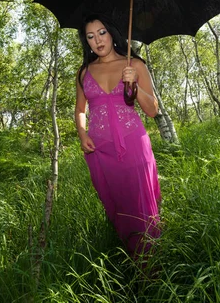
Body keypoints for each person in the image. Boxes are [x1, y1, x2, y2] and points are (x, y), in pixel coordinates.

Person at [74, 13, 161, 257]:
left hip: (134, 146)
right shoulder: (84, 72)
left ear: (112, 34)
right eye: (90, 36)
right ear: (86, 42)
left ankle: (150, 267)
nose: (97, 40)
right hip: (100, 151)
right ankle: (129, 259)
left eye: (102, 33)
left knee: (141, 209)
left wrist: (135, 85)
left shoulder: (135, 65)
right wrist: (82, 134)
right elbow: (80, 110)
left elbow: (152, 111)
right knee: (117, 208)